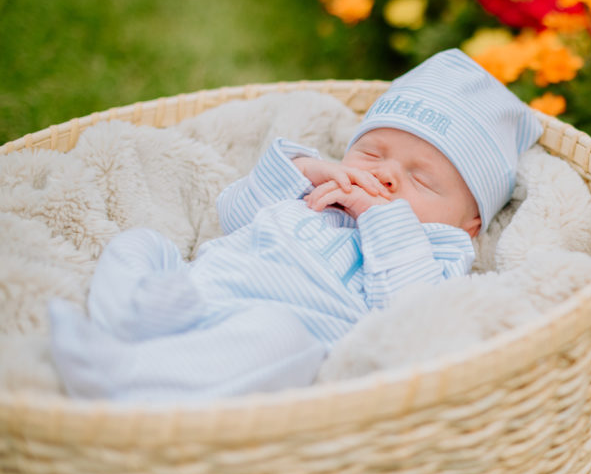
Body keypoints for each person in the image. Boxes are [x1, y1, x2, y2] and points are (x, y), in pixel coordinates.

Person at [49, 49, 543, 401]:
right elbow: (233, 215)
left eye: (422, 180)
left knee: (280, 339)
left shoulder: (437, 248)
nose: (386, 175)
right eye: (373, 153)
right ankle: (124, 318)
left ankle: (126, 378)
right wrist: (302, 172)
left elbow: (410, 315)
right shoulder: (318, 187)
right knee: (143, 244)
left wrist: (381, 219)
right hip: (197, 290)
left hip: (280, 329)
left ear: (470, 223)